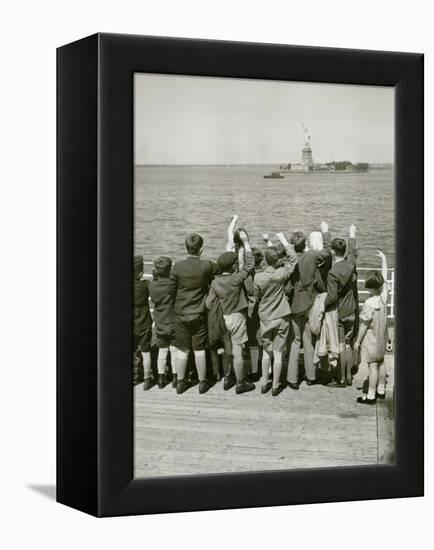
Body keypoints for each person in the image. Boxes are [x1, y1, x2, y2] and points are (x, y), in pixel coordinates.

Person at [206, 230, 256, 394]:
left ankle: (228, 378)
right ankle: (241, 383)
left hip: (223, 319)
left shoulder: (215, 282)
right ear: (234, 266)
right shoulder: (236, 279)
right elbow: (249, 265)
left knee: (227, 351)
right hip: (236, 318)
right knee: (237, 351)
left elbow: (208, 303)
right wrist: (246, 243)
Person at [168, 233, 216, 395]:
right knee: (199, 349)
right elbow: (221, 267)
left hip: (181, 314)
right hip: (199, 313)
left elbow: (170, 291)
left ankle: (180, 382)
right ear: (201, 249)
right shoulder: (207, 265)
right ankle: (202, 383)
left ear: (186, 247)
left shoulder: (177, 266)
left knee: (182, 349)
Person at [287, 222, 331, 389]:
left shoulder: (290, 260)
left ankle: (292, 379)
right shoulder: (312, 256)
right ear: (305, 243)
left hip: (294, 306)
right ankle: (311, 375)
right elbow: (327, 253)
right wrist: (325, 233)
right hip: (310, 304)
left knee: (294, 342)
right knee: (308, 341)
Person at [254, 232, 298, 396]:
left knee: (266, 352)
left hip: (266, 316)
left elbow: (256, 296)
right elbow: (293, 259)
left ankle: (264, 382)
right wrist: (284, 241)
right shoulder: (282, 274)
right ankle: (275, 386)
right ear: (279, 261)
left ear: (266, 260)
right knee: (279, 354)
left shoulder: (258, 277)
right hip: (282, 315)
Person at [324, 224, 358, 386]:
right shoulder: (350, 264)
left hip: (340, 312)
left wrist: (320, 304)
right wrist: (352, 233)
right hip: (352, 309)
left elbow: (331, 298)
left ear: (332, 252)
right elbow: (353, 251)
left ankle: (342, 378)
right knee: (349, 342)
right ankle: (350, 374)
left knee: (341, 345)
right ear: (344, 251)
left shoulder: (333, 272)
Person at [354, 251, 390, 404]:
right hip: (382, 338)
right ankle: (381, 389)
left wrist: (357, 341)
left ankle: (370, 395)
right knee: (381, 362)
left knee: (372, 366)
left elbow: (363, 326)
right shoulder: (383, 297)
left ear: (368, 287)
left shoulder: (369, 304)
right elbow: (385, 277)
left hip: (372, 340)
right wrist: (384, 260)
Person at [148, 256, 179, 389]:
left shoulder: (152, 285)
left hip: (160, 322)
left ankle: (161, 378)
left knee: (162, 350)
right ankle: (175, 377)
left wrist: (156, 278)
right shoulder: (173, 285)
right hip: (172, 321)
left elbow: (156, 291)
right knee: (174, 351)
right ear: (170, 269)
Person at [133, 255, 153, 390]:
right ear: (141, 273)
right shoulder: (146, 285)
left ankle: (134, 377)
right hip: (144, 323)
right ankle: (147, 379)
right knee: (146, 352)